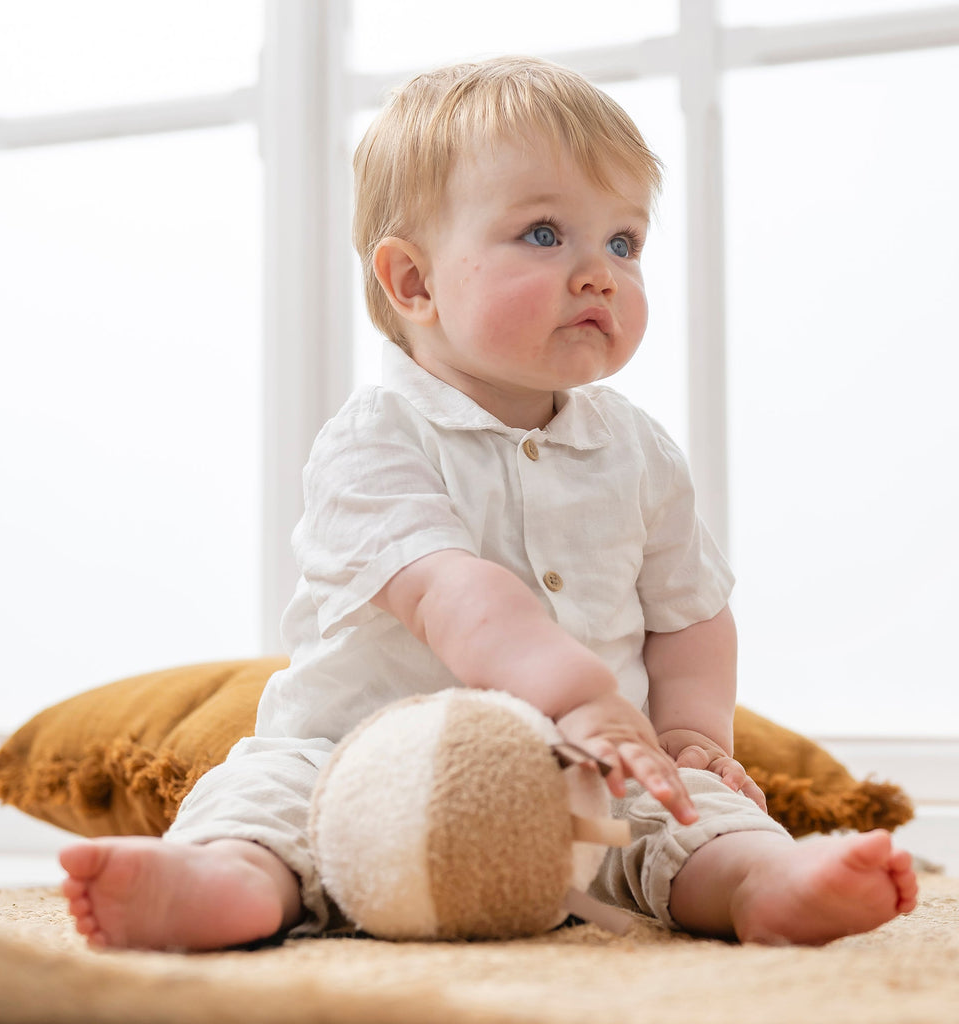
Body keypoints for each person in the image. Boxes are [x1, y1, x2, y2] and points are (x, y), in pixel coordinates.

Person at [60, 56, 917, 951]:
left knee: (687, 811)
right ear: (414, 283)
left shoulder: (640, 452)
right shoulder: (374, 440)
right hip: (361, 766)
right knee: (267, 791)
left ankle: (760, 883)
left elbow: (692, 613)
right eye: (545, 235)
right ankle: (223, 881)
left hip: (588, 778)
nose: (599, 273)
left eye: (623, 243)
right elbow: (453, 594)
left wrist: (691, 733)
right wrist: (583, 695)